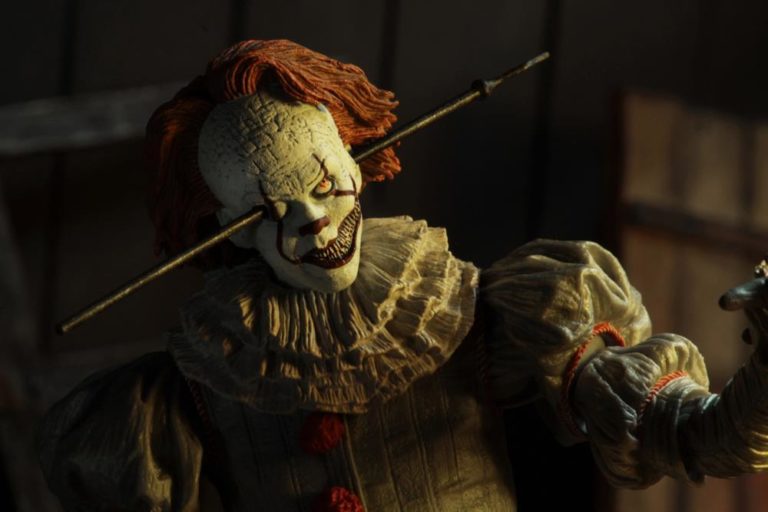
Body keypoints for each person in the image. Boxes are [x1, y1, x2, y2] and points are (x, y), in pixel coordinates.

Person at [38, 39, 768, 512]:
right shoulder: (194, 385)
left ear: (355, 163)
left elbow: (692, 435)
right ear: (227, 228)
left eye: (323, 180)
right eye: (266, 209)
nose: (312, 220)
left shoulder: (484, 314)